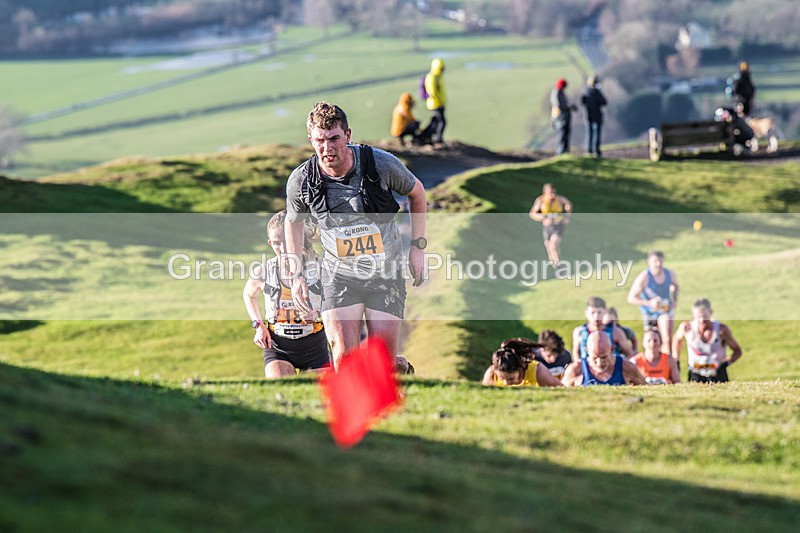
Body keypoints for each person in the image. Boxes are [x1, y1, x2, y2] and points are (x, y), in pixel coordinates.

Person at [285, 102, 427, 372]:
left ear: (347, 136)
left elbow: (417, 193)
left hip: (385, 273)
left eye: (334, 139)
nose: (328, 148)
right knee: (343, 360)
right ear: (311, 140)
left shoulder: (380, 164)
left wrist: (417, 249)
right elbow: (293, 223)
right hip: (338, 277)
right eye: (320, 141)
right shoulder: (302, 181)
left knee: (382, 364)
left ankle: (399, 368)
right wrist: (297, 274)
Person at [243, 210, 330, 378]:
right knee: (279, 386)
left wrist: (318, 314)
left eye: (286, 242)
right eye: (276, 243)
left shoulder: (318, 269)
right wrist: (258, 325)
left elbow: (336, 300)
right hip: (278, 347)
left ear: (298, 241)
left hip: (314, 345)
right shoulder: (264, 271)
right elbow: (248, 294)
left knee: (321, 395)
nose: (282, 248)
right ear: (269, 243)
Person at [672, 298, 743, 383]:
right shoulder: (687, 328)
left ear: (711, 313)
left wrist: (725, 364)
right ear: (693, 314)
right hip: (695, 374)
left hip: (717, 375)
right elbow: (676, 340)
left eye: (705, 316)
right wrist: (676, 360)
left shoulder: (721, 330)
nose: (702, 320)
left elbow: (737, 351)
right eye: (698, 317)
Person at [626, 250, 679, 358]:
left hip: (665, 311)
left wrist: (674, 300)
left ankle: (667, 363)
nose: (658, 264)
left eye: (660, 261)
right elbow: (631, 298)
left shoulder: (669, 274)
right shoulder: (644, 277)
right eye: (655, 261)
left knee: (666, 338)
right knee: (651, 342)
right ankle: (650, 364)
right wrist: (649, 303)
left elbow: (676, 286)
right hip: (649, 313)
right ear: (649, 262)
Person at [562, 331, 646, 386]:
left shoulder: (626, 367)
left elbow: (646, 389)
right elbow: (562, 394)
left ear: (612, 350)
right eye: (594, 357)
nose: (599, 362)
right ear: (587, 350)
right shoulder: (575, 370)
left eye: (604, 357)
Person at [572, 296, 634, 361]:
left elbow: (630, 353)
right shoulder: (579, 332)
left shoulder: (615, 332)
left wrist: (620, 366)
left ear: (605, 311)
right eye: (592, 313)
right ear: (586, 313)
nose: (596, 316)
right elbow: (576, 353)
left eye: (599, 312)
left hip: (610, 369)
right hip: (586, 369)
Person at [481, 337, 563, 387]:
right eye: (502, 378)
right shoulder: (491, 375)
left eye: (511, 378)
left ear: (520, 369)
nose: (506, 383)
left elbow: (562, 390)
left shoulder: (538, 372)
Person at [529, 183, 573, 264]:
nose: (552, 195)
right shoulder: (540, 200)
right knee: (549, 248)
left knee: (553, 245)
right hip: (547, 227)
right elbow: (532, 214)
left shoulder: (559, 199)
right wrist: (543, 218)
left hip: (558, 225)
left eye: (553, 193)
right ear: (545, 192)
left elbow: (568, 204)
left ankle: (559, 266)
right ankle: (555, 266)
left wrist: (567, 216)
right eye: (550, 193)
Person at [420, 58, 447, 145]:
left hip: (439, 103)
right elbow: (433, 92)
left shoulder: (438, 76)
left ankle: (426, 136)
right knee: (441, 121)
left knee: (435, 121)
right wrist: (440, 101)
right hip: (435, 103)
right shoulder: (432, 77)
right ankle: (437, 138)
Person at [581, 73, 607, 157]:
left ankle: (589, 151)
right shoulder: (597, 92)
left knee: (589, 134)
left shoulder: (585, 92)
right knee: (596, 135)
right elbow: (604, 102)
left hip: (588, 116)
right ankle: (596, 151)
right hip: (597, 116)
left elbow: (582, 102)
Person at [550, 78, 576, 155]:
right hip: (559, 118)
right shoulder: (556, 94)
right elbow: (558, 105)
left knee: (565, 134)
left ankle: (565, 150)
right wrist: (568, 107)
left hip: (565, 117)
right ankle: (560, 152)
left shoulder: (561, 93)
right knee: (561, 134)